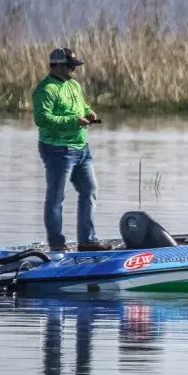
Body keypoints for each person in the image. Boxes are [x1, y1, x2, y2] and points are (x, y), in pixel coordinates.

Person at [32, 47, 111, 252]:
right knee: (56, 198)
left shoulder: (73, 84)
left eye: (74, 67)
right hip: (57, 150)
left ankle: (87, 241)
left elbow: (81, 105)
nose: (73, 70)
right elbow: (42, 119)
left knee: (90, 190)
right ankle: (57, 244)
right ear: (57, 65)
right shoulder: (45, 89)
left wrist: (88, 112)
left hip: (81, 148)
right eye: (70, 66)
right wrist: (73, 121)